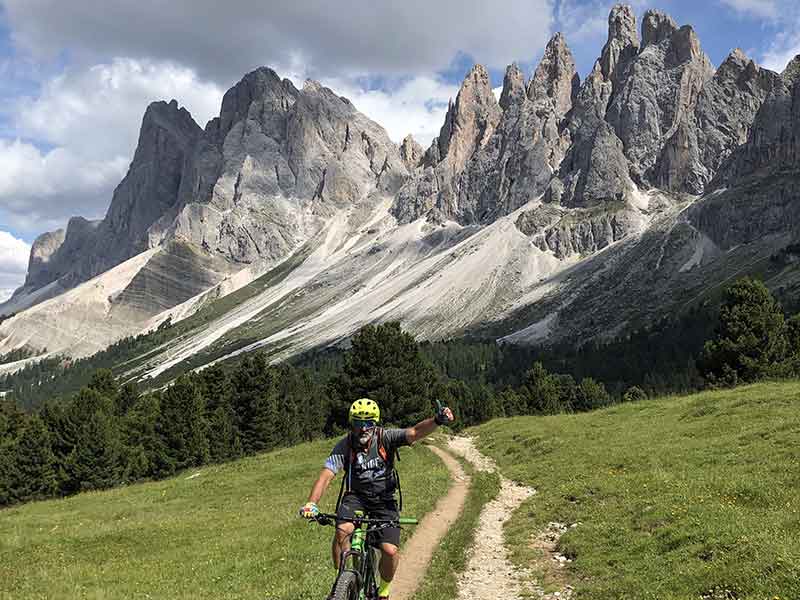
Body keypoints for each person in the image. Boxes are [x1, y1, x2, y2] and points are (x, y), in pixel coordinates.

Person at [299, 398, 454, 600]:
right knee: (342, 531)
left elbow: (414, 432)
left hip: (384, 499)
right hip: (355, 497)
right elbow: (327, 474)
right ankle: (341, 583)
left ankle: (383, 591)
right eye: (358, 423)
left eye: (369, 423)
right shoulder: (345, 445)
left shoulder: (385, 438)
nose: (363, 429)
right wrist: (312, 503)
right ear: (351, 423)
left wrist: (437, 420)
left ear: (376, 423)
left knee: (389, 551)